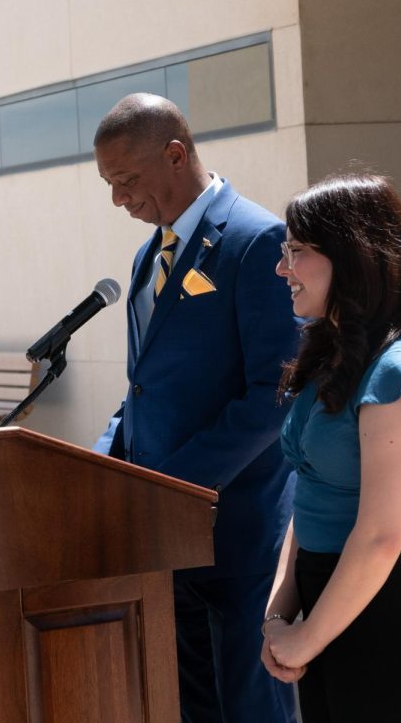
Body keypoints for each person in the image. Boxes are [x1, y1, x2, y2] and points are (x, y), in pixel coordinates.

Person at [92, 93, 299, 723]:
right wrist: (103, 465)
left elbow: (276, 394)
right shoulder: (148, 252)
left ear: (175, 155)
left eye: (126, 180)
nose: (117, 199)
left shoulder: (258, 239)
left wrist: (173, 486)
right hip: (165, 535)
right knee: (189, 704)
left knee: (250, 706)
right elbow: (144, 389)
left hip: (236, 535)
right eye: (108, 184)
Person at [261, 174, 401, 721]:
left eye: (297, 251)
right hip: (330, 609)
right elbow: (310, 494)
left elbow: (381, 537)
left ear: (352, 257)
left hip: (392, 619)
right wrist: (280, 614)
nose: (283, 268)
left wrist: (306, 637)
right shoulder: (335, 352)